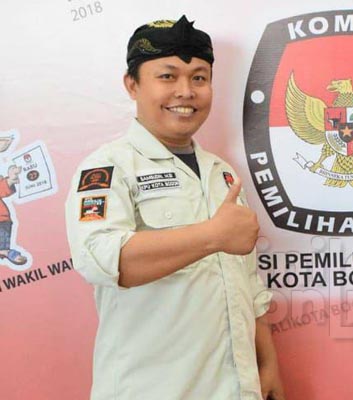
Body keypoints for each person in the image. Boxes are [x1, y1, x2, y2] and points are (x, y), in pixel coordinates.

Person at [65, 16, 285, 400]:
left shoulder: (222, 173)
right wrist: (212, 236)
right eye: (167, 76)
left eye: (199, 78)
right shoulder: (108, 168)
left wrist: (267, 368)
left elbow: (248, 287)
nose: (186, 91)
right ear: (132, 84)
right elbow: (101, 259)